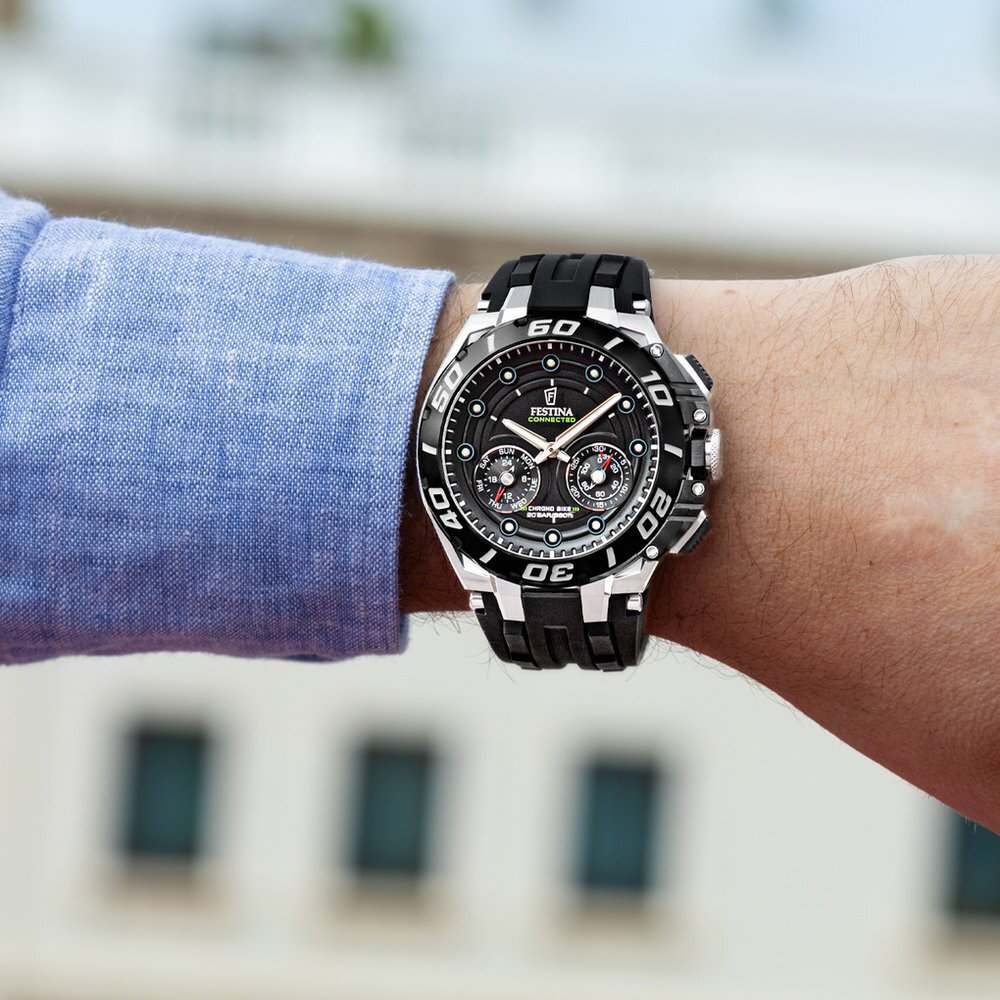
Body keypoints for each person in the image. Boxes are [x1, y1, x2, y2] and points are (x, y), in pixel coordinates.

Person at [1, 190, 998, 833]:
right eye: (540, 452)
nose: (554, 456)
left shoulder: (644, 454)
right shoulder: (472, 454)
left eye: (574, 452)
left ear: (691, 435)